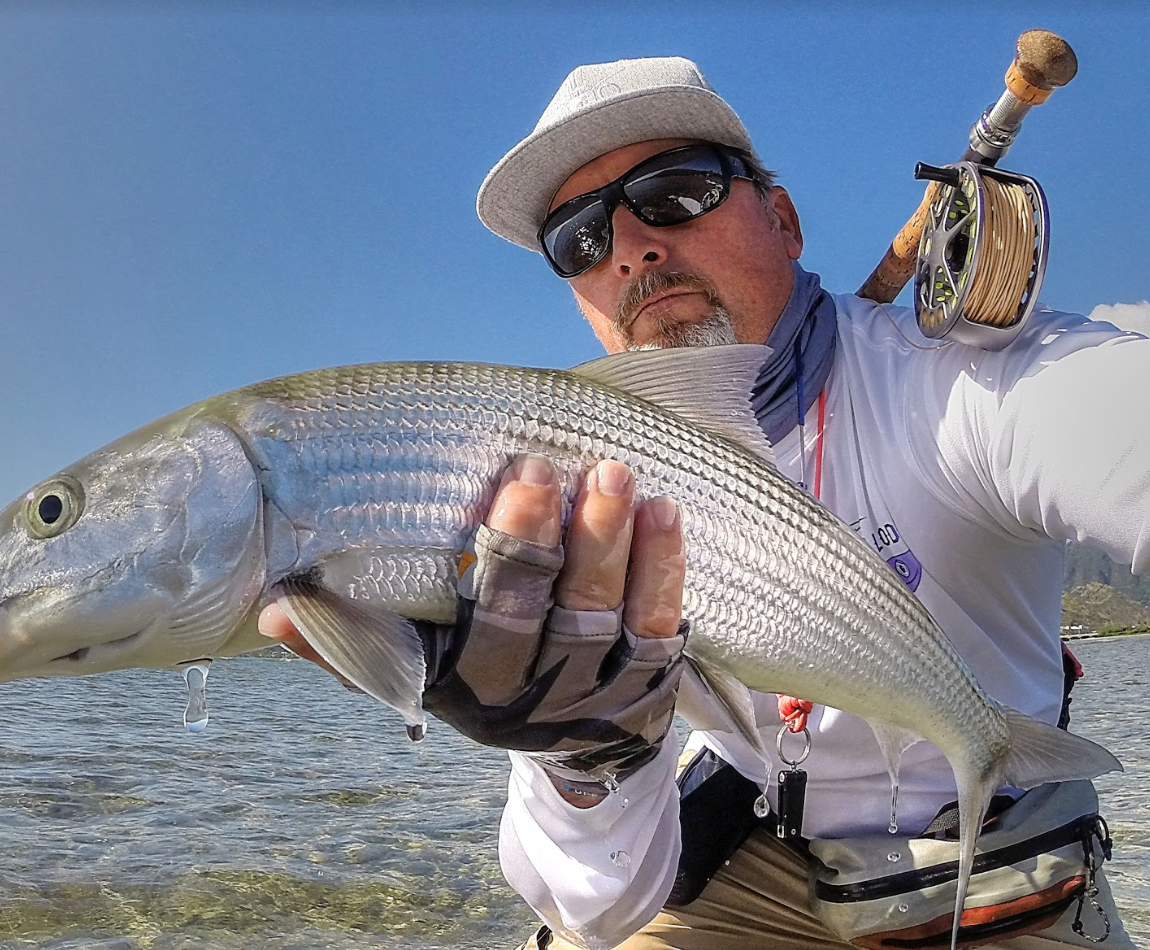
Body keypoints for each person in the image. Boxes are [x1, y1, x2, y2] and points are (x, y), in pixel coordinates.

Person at [262, 56, 1146, 949]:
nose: (633, 251)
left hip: (991, 864)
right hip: (747, 847)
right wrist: (580, 749)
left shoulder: (967, 386)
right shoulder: (556, 481)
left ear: (785, 220)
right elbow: (595, 911)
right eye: (579, 240)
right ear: (579, 300)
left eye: (675, 192)